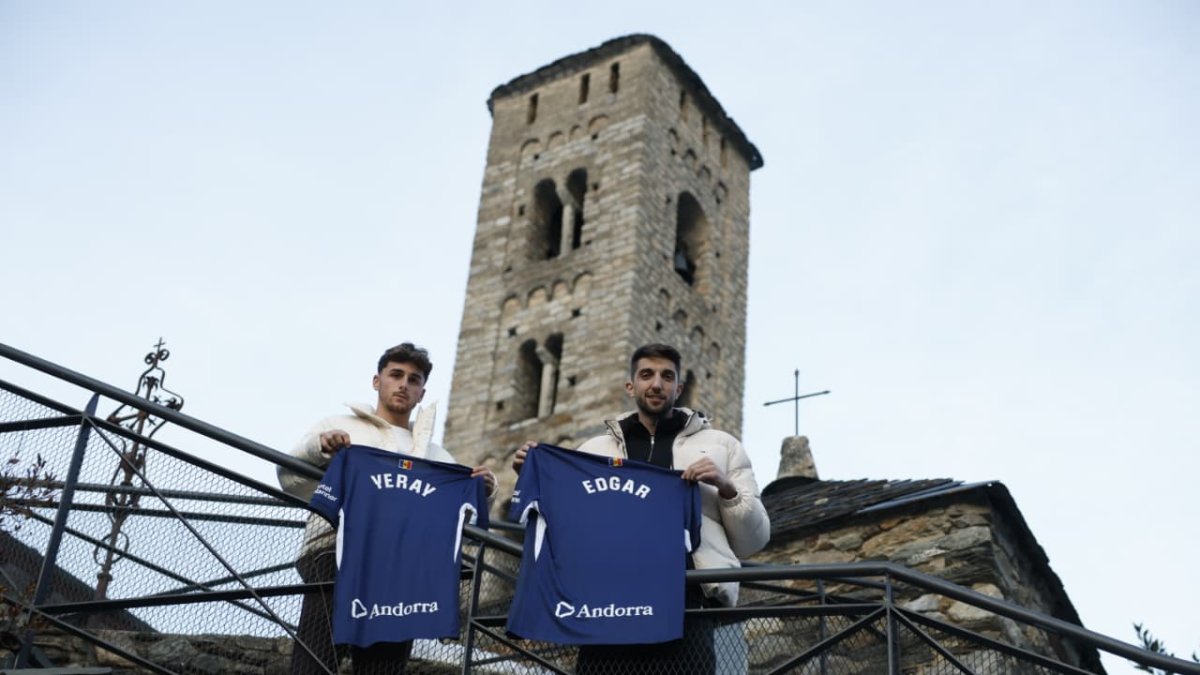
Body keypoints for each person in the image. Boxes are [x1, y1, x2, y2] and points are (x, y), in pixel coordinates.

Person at [511, 342, 770, 673]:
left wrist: (727, 488)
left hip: (687, 601)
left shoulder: (721, 446)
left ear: (680, 387)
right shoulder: (592, 450)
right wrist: (534, 478)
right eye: (647, 375)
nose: (657, 384)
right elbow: (565, 523)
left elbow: (755, 541)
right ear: (631, 385)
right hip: (606, 601)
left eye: (667, 376)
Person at [278, 342, 496, 675]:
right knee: (315, 658)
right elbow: (289, 476)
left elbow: (462, 519)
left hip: (405, 570)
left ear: (422, 393)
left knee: (383, 668)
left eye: (414, 379)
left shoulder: (438, 457)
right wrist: (320, 448)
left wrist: (485, 492)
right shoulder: (339, 425)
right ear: (377, 381)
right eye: (396, 375)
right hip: (334, 551)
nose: (404, 384)